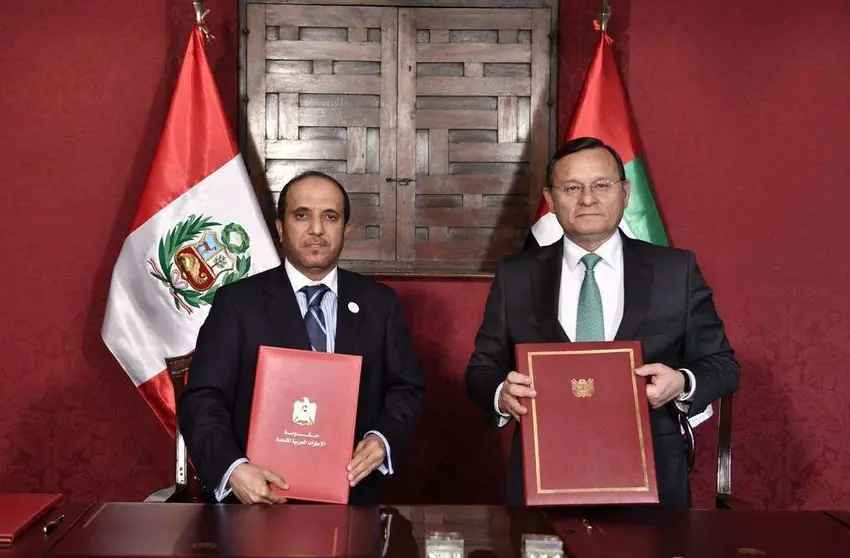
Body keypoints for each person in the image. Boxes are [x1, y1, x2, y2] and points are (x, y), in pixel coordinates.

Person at [464, 137, 740, 507]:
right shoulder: (517, 275)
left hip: (652, 477)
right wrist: (502, 395)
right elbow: (482, 368)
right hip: (544, 473)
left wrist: (681, 383)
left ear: (625, 193)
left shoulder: (676, 270)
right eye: (572, 188)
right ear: (550, 198)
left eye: (601, 185)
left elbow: (723, 365)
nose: (587, 199)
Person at [179, 171, 423, 505]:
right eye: (302, 215)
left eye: (331, 217)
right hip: (258, 504)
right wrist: (233, 469)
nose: (317, 230)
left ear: (346, 229)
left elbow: (405, 391)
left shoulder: (380, 304)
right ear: (280, 228)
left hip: (352, 502)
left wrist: (382, 439)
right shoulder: (237, 303)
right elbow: (202, 400)